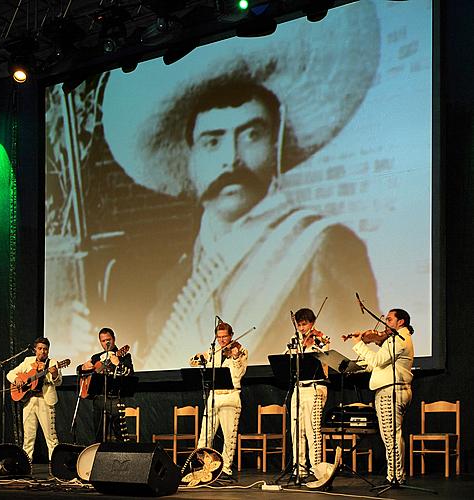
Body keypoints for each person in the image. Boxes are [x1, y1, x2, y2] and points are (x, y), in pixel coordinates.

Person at [72, 1, 381, 370]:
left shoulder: (324, 245)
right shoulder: (174, 278)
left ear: (275, 142)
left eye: (251, 134)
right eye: (212, 141)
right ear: (190, 157)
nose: (231, 159)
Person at [345, 308, 414, 485]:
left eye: (390, 320)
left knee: (391, 436)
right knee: (392, 435)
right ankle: (396, 475)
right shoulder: (395, 339)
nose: (386, 324)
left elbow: (376, 361)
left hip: (391, 391)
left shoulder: (399, 339)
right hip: (393, 390)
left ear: (401, 322)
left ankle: (396, 477)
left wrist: (360, 344)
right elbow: (378, 365)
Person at [190, 321, 247, 481]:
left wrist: (235, 357)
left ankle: (226, 469)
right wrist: (199, 357)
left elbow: (238, 374)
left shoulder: (241, 351)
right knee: (205, 435)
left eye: (225, 336)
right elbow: (193, 362)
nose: (222, 340)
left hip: (230, 396)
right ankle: (205, 467)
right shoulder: (213, 351)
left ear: (231, 336)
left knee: (229, 436)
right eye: (219, 337)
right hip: (213, 396)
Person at [288, 308, 329, 478]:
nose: (302, 328)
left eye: (305, 324)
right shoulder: (295, 340)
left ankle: (317, 469)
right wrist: (296, 349)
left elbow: (324, 355)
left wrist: (313, 343)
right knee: (297, 430)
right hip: (299, 389)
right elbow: (287, 360)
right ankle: (299, 468)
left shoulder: (321, 338)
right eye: (299, 325)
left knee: (313, 431)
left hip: (315, 388)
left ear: (312, 323)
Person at [7, 337, 62, 462]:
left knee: (51, 437)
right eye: (40, 349)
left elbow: (58, 382)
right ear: (35, 349)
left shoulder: (52, 362)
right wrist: (17, 379)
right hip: (29, 401)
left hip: (45, 400)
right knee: (28, 437)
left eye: (45, 349)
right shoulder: (28, 361)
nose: (43, 352)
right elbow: (10, 374)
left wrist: (54, 374)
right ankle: (25, 465)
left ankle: (55, 465)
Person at [79, 327, 134, 442]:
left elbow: (129, 373)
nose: (106, 343)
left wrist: (118, 364)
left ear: (114, 339)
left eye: (108, 339)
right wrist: (82, 367)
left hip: (115, 399)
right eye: (103, 341)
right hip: (99, 399)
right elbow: (81, 372)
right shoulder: (96, 357)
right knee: (99, 435)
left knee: (120, 434)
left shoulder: (124, 356)